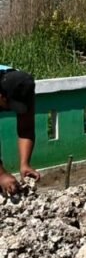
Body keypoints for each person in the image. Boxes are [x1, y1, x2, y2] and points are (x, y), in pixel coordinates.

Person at [0, 67, 40, 196]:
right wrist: (1, 174)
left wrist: (25, 164)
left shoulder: (23, 86)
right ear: (2, 97)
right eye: (11, 105)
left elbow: (26, 129)